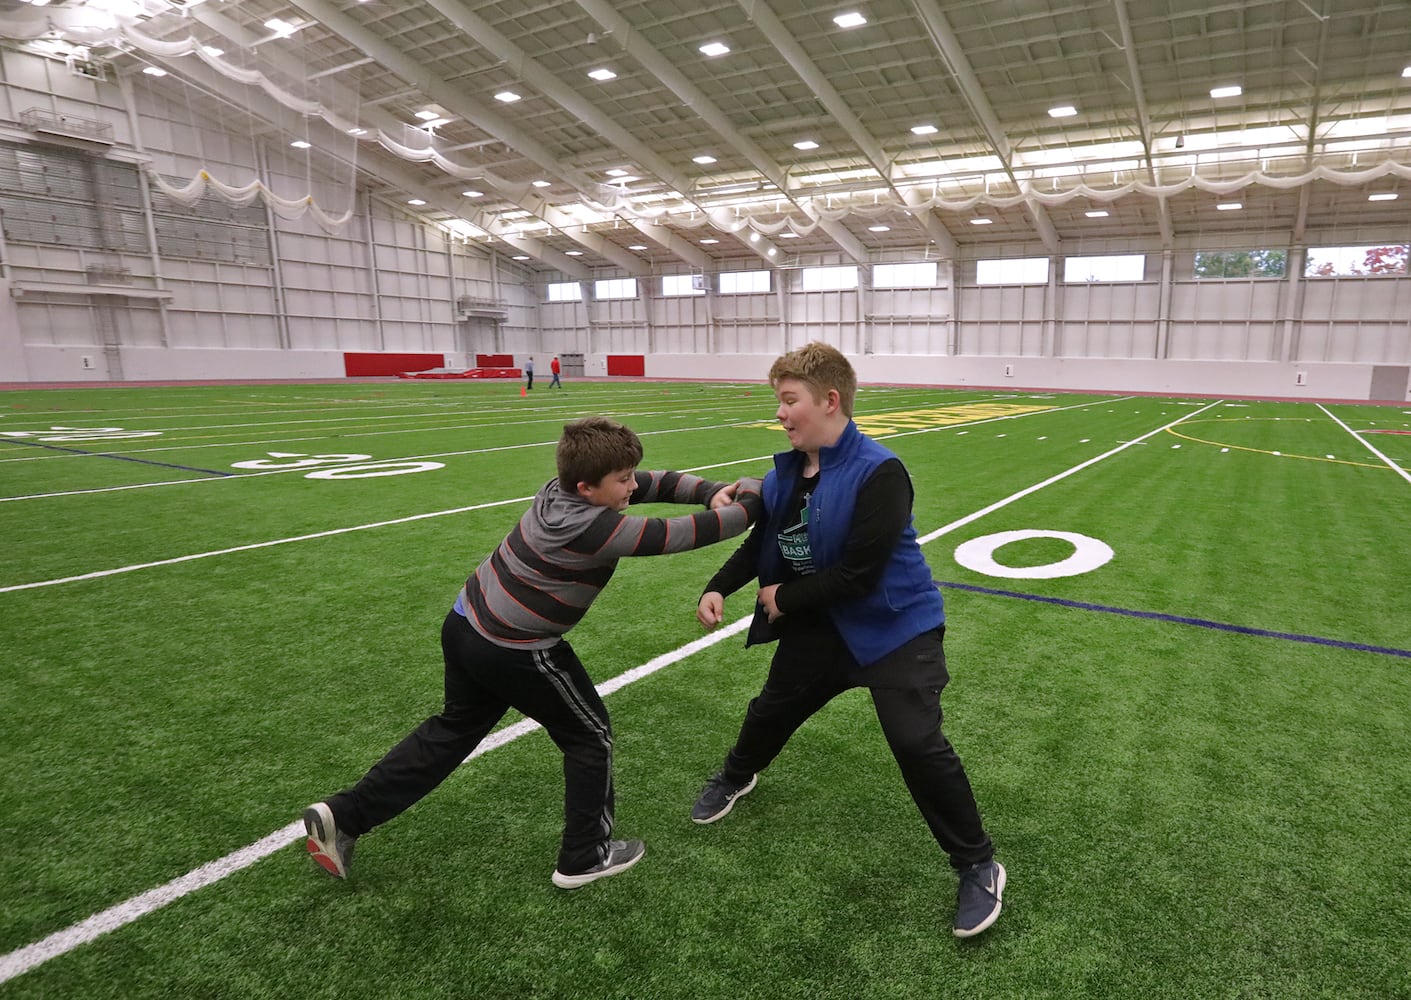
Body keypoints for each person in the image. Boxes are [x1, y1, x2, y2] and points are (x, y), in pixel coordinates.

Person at [305, 416, 762, 889]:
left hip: (466, 621)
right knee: (590, 738)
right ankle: (584, 856)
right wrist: (753, 496)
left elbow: (656, 482)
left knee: (454, 728)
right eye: (622, 480)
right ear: (586, 487)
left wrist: (709, 490)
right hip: (512, 647)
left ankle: (345, 815)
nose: (632, 486)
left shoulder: (561, 488)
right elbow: (688, 534)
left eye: (629, 476)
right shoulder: (593, 528)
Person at [690, 342, 1005, 938]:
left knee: (916, 742)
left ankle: (978, 864)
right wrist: (721, 586)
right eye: (778, 402)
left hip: (895, 627)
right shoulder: (786, 472)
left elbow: (859, 574)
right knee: (771, 710)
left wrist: (782, 599)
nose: (780, 414)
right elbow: (766, 544)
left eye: (790, 401)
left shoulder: (880, 472)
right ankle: (736, 775)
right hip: (822, 629)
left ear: (830, 400)